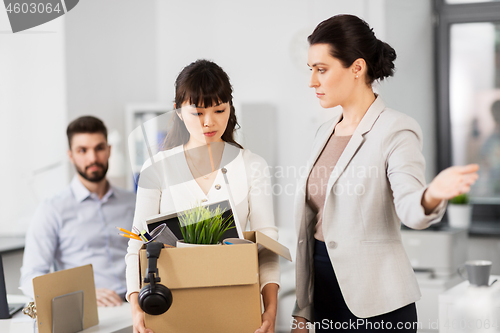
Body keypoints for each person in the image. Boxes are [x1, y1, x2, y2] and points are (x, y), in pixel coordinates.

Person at [291, 15, 479, 332]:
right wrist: (303, 309)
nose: (312, 81)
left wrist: (431, 195)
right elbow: (311, 224)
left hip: (378, 304)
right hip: (324, 294)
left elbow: (410, 207)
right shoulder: (324, 132)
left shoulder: (396, 129)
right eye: (311, 70)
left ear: (357, 68)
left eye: (321, 70)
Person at [125, 59, 280, 333]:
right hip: (173, 310)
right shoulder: (156, 168)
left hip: (237, 307)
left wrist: (270, 310)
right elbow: (136, 244)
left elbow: (267, 245)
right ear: (178, 112)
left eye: (219, 110)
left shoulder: (252, 165)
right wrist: (137, 310)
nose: (210, 122)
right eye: (197, 113)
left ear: (230, 108)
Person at [20, 116, 136, 307]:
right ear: (71, 155)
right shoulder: (52, 209)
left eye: (99, 148)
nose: (92, 158)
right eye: (83, 150)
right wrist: (80, 293)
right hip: (87, 307)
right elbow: (30, 278)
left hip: (138, 304)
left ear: (109, 150)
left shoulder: (132, 201)